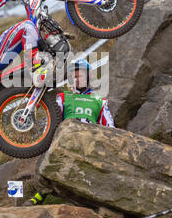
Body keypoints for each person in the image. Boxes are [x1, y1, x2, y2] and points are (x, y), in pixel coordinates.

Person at [24, 59, 114, 206]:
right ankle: (41, 194)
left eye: (81, 75)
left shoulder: (100, 100)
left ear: (89, 76)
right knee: (52, 157)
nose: (77, 79)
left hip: (90, 142)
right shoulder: (63, 97)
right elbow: (51, 122)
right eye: (75, 76)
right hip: (66, 140)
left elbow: (110, 127)